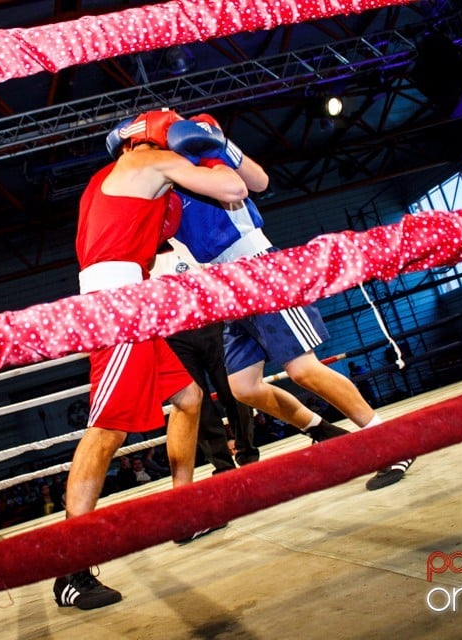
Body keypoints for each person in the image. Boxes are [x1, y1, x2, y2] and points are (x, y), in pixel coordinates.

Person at [53, 108, 250, 610]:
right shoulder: (153, 162)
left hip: (131, 301)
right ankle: (70, 569)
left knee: (187, 398)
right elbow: (235, 191)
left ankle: (182, 512)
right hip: (117, 307)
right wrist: (213, 144)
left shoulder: (106, 176)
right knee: (106, 431)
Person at [163, 113, 415, 491]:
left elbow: (258, 183)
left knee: (302, 369)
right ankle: (325, 432)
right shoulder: (161, 180)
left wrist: (221, 145)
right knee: (242, 387)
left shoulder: (198, 156)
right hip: (225, 287)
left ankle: (390, 441)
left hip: (257, 269)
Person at [150, 241, 259, 473]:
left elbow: (218, 277)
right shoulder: (140, 258)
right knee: (197, 403)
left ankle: (247, 451)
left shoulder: (187, 242)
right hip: (173, 337)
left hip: (211, 324)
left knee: (233, 389)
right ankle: (222, 465)